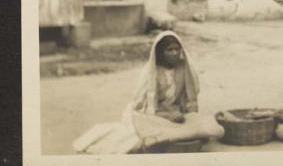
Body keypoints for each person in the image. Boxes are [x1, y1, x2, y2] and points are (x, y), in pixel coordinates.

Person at [73, 31, 224, 154]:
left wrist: (189, 116)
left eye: (177, 49)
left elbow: (190, 99)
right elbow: (144, 107)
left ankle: (179, 133)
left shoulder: (184, 68)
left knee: (209, 126)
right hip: (152, 114)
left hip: (177, 114)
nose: (174, 53)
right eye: (169, 50)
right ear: (160, 53)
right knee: (140, 137)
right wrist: (168, 116)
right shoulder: (150, 72)